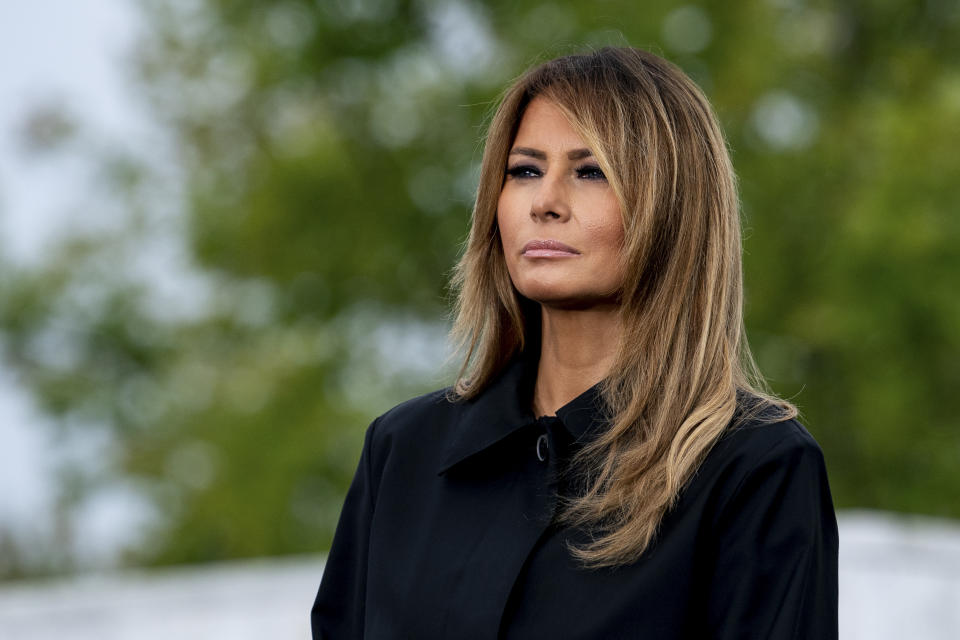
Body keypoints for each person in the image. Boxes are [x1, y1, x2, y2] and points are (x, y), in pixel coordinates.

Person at [311, 46, 838, 639]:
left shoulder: (755, 468)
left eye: (592, 172)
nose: (545, 203)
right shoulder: (403, 450)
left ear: (674, 205)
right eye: (525, 170)